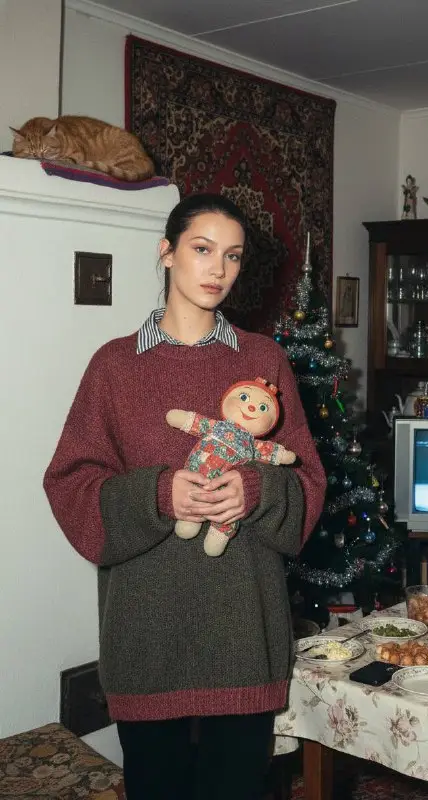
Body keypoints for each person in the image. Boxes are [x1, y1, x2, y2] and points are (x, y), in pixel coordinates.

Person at [43, 193, 327, 800]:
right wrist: (157, 494)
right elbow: (69, 483)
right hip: (146, 637)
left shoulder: (265, 360)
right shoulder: (114, 367)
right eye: (202, 250)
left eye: (232, 256)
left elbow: (307, 481)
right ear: (167, 253)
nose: (218, 270)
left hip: (246, 632)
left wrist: (254, 489)